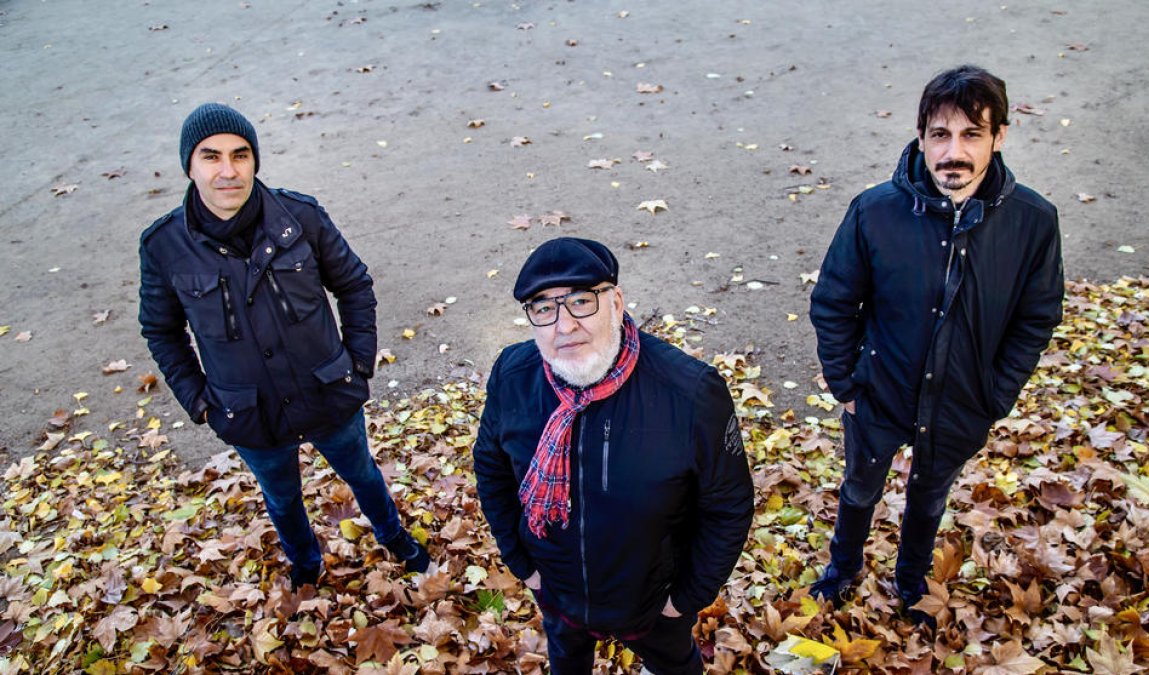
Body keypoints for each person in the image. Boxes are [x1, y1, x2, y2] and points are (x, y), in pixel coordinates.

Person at [808, 65, 1064, 625]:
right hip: (879, 390)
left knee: (929, 496)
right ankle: (842, 570)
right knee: (859, 487)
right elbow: (832, 302)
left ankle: (909, 580)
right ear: (921, 137)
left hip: (963, 399)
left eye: (972, 134)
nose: (955, 151)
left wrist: (997, 394)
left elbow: (1037, 316)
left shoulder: (1034, 221)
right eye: (940, 135)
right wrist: (845, 383)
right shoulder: (873, 211)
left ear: (999, 136)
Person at [138, 103, 429, 589]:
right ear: (189, 165)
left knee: (362, 474)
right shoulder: (164, 245)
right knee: (282, 497)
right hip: (249, 412)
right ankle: (306, 564)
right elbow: (161, 331)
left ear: (255, 160)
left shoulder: (302, 216)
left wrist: (356, 362)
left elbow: (354, 285)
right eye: (211, 157)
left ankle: (396, 538)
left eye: (241, 154)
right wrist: (200, 402)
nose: (228, 171)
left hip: (328, 391)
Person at [473, 237, 754, 674]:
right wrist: (523, 566)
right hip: (557, 592)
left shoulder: (692, 394)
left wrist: (684, 600)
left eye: (581, 301)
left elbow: (729, 505)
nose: (563, 326)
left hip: (652, 603)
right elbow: (492, 471)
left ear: (616, 302)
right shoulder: (512, 376)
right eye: (544, 308)